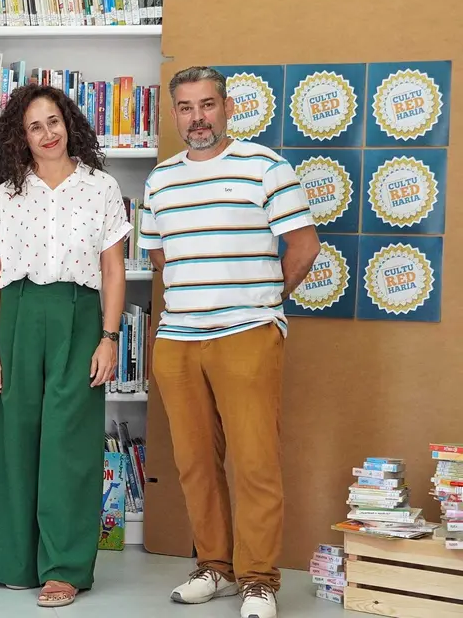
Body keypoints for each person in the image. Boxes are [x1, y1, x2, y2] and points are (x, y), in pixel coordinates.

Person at [139, 66, 319, 618]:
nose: (198, 118)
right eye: (187, 108)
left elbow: (304, 247)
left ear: (228, 106)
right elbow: (159, 256)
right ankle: (213, 568)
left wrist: (261, 300)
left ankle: (259, 580)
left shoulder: (266, 167)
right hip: (178, 340)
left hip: (248, 333)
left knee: (255, 460)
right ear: (175, 115)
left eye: (208, 105)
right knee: (195, 461)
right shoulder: (161, 180)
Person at [0, 84, 128, 608]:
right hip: (19, 314)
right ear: (20, 136)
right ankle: (14, 559)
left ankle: (64, 568)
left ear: (68, 123)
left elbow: (113, 269)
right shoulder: (9, 194)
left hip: (79, 316)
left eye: (53, 122)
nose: (47, 134)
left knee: (68, 444)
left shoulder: (101, 188)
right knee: (12, 436)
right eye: (35, 126)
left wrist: (109, 336)